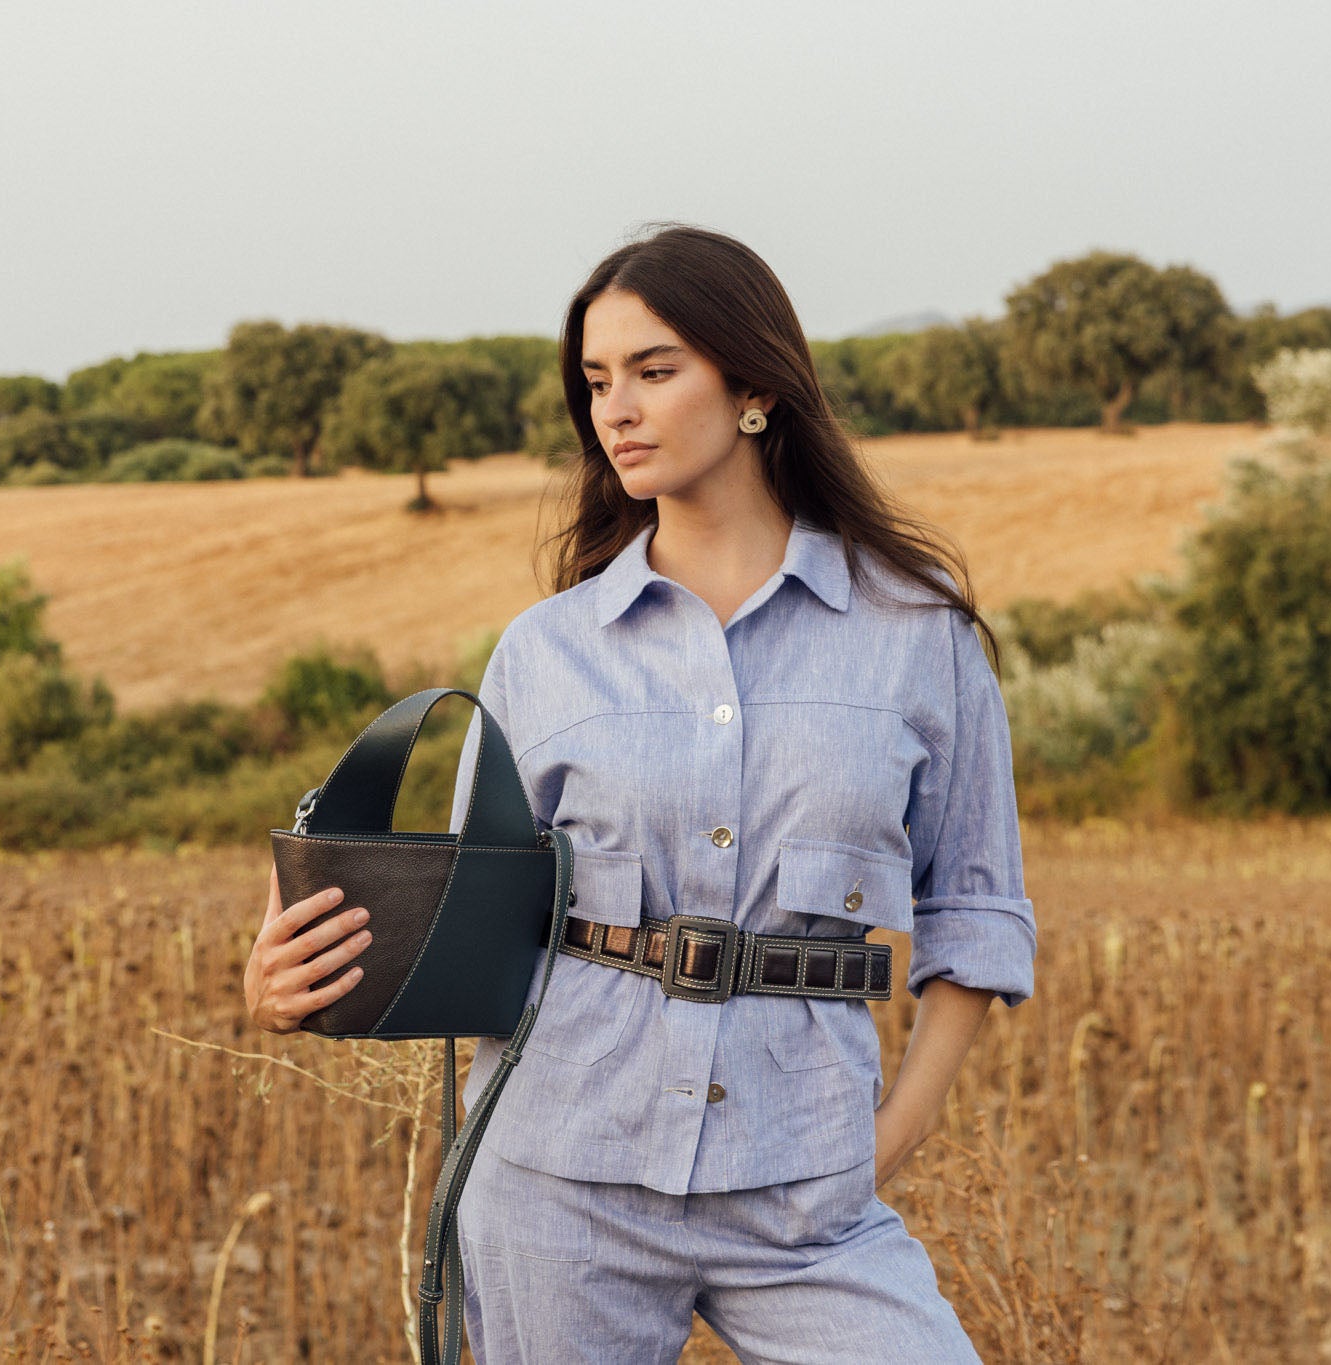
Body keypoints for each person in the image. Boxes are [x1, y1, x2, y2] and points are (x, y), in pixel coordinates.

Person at [246, 223, 1036, 1363]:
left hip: (806, 1191)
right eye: (596, 381)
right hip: (556, 1179)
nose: (616, 409)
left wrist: (886, 1142)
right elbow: (476, 913)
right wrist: (281, 978)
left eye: (654, 372)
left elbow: (975, 909)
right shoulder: (545, 651)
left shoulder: (916, 637)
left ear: (755, 384)